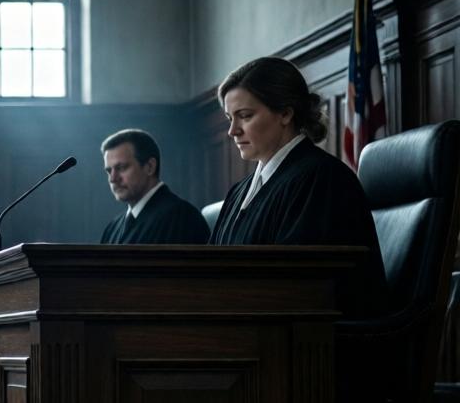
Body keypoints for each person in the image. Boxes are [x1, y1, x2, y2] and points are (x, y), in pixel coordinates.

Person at [209, 56, 387, 319]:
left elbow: (298, 289)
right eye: (229, 118)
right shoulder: (238, 192)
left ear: (285, 113)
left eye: (245, 116)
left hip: (312, 344)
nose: (232, 131)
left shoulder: (322, 178)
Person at [99, 129, 209, 244]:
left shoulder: (183, 218)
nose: (113, 179)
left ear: (150, 167)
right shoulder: (112, 228)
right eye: (108, 171)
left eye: (121, 168)